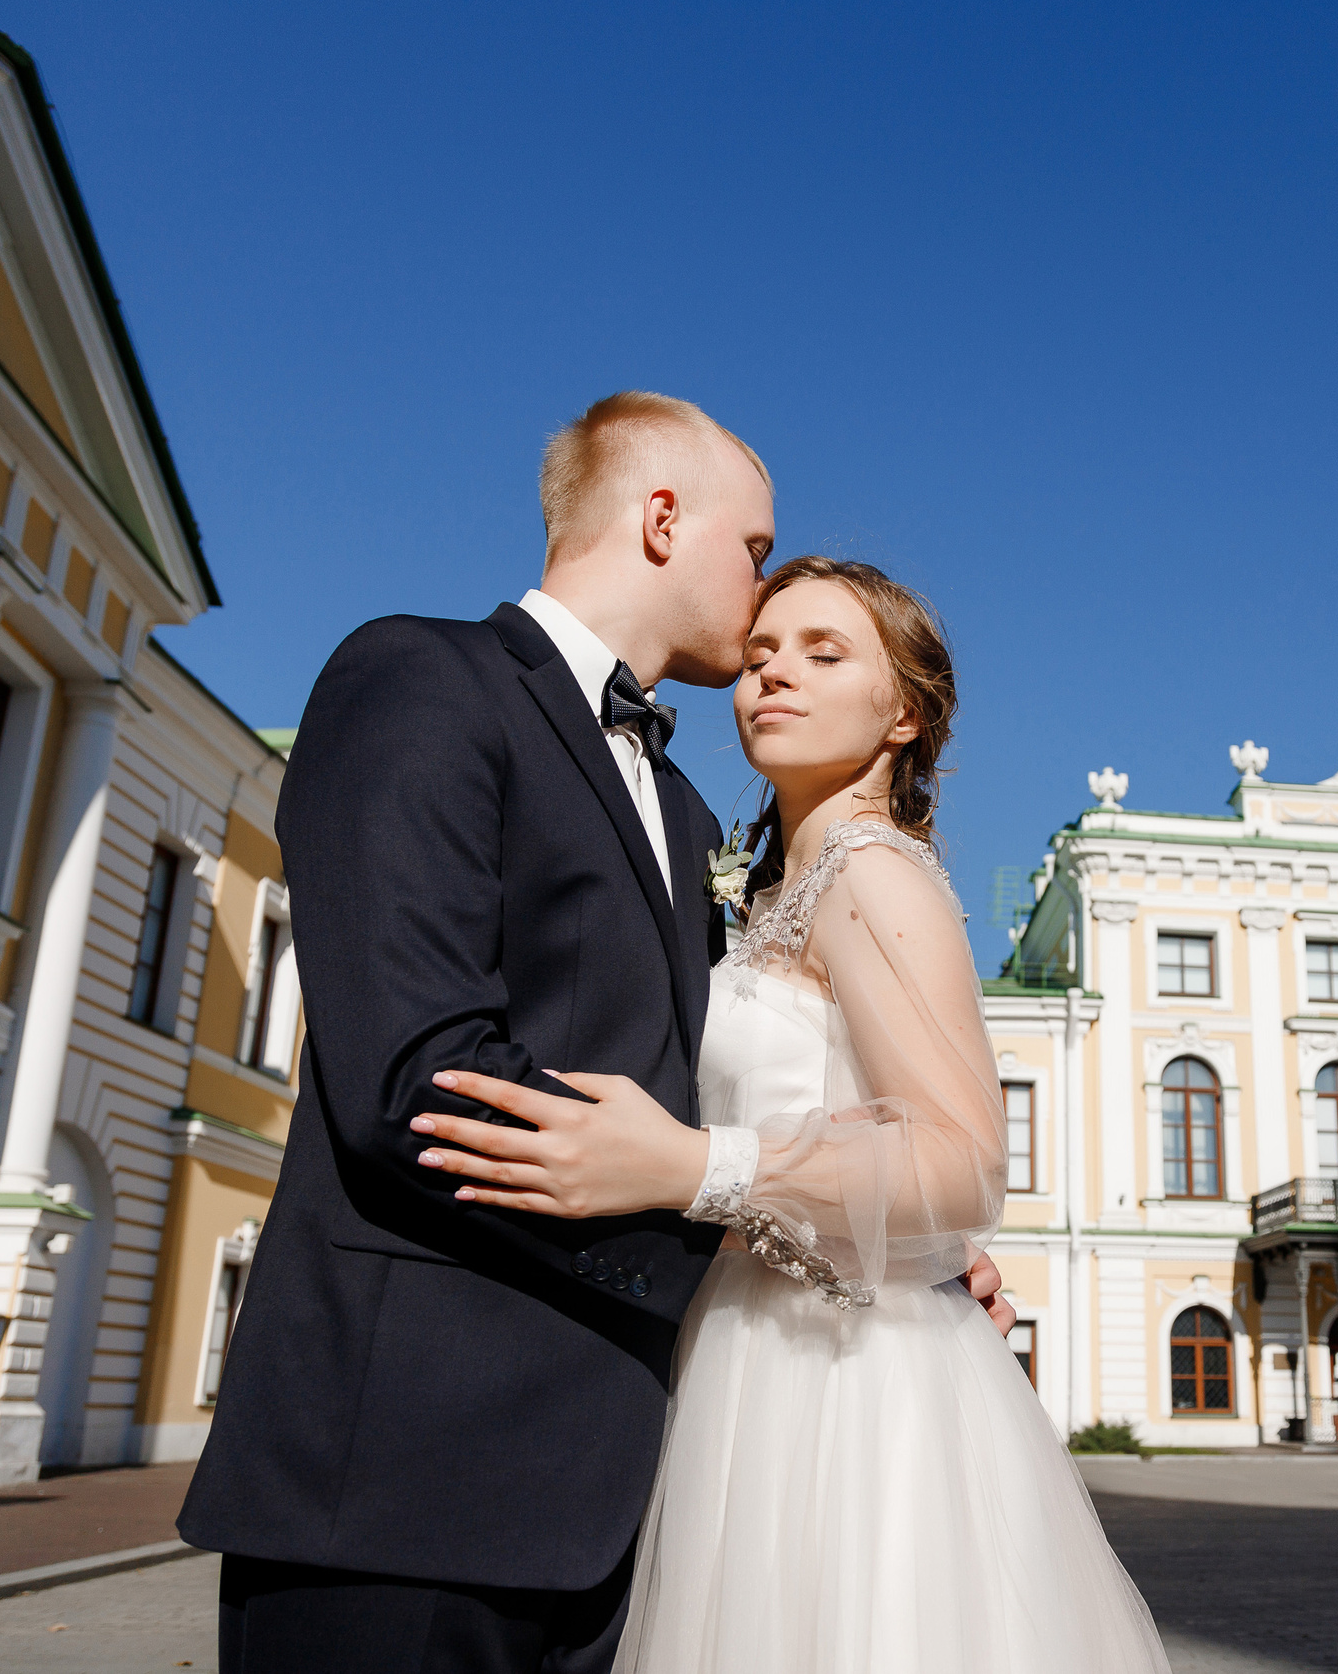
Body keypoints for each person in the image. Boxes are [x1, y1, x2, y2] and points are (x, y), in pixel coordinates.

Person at [181, 392, 1008, 1674]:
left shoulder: (684, 813)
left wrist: (897, 1235)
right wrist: (766, 1224)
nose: (763, 611)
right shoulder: (419, 677)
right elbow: (418, 1077)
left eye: (821, 644)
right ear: (663, 519)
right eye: (753, 556)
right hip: (406, 1472)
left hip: (630, 1484)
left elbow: (688, 1101)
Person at [419, 557, 1171, 1672]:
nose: (773, 676)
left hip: (850, 1384)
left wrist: (692, 1166)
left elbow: (964, 1163)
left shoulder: (876, 873)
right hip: (743, 1341)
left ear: (903, 712)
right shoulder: (763, 893)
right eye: (762, 655)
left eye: (825, 653)